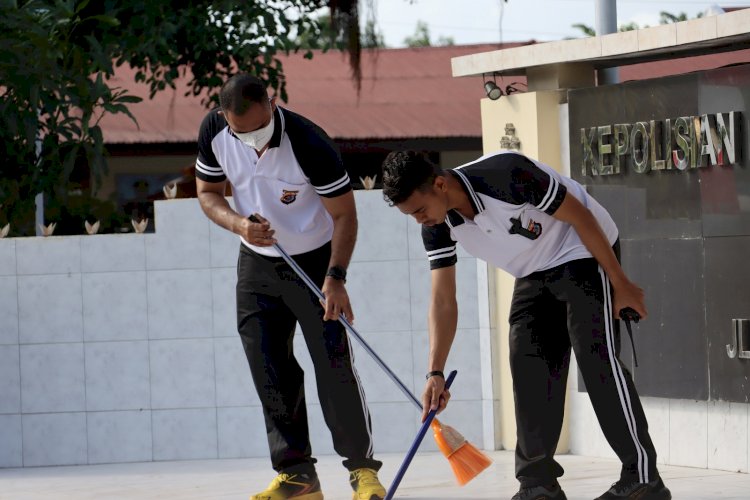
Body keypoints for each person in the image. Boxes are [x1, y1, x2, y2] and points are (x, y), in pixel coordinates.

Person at [381, 150, 672, 500]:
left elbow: (581, 216)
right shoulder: (438, 225)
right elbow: (443, 300)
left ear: (440, 184)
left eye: (418, 210)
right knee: (527, 362)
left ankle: (643, 478)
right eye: (410, 215)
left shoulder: (506, 174)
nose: (419, 220)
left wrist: (620, 284)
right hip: (533, 271)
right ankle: (538, 485)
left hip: (580, 250)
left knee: (597, 359)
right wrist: (435, 373)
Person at [195, 73, 386, 500]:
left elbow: (345, 217)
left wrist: (336, 279)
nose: (253, 141)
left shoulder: (308, 142)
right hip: (257, 263)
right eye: (241, 133)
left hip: (316, 263)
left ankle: (362, 471)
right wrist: (240, 225)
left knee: (333, 367)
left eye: (259, 130)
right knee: (269, 367)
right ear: (225, 118)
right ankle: (297, 475)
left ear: (273, 102)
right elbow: (207, 193)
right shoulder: (214, 131)